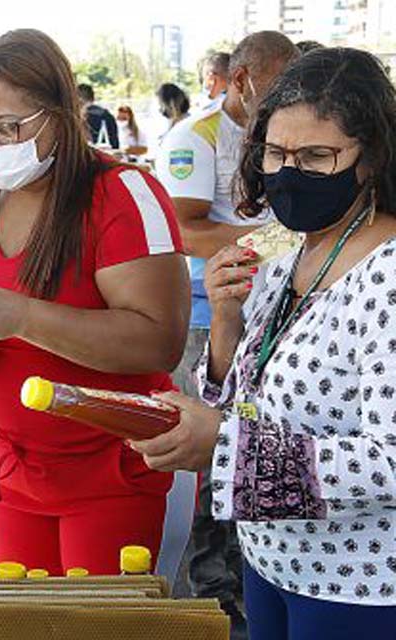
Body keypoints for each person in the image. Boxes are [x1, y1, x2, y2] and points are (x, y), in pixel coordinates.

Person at [132, 47, 396, 640]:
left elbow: (390, 460)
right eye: (276, 154)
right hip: (270, 562)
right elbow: (247, 397)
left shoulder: (388, 274)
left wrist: (223, 447)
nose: (288, 174)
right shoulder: (286, 243)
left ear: (373, 158)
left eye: (317, 156)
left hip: (360, 585)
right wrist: (226, 321)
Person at [0, 29, 190, 576]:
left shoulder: (122, 194)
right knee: (27, 617)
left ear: (59, 114)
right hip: (11, 468)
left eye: (8, 126)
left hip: (107, 472)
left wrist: (20, 316)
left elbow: (160, 342)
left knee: (89, 619)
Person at [153, 30, 299, 635]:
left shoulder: (275, 128)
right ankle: (210, 591)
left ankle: (245, 572)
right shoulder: (197, 137)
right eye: (281, 78)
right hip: (207, 318)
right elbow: (183, 229)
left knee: (261, 443)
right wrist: (283, 240)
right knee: (210, 455)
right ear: (242, 80)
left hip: (272, 312)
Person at [77, 83, 120, 149]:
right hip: (107, 153)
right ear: (93, 98)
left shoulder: (77, 118)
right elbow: (115, 143)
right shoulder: (107, 115)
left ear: (79, 99)